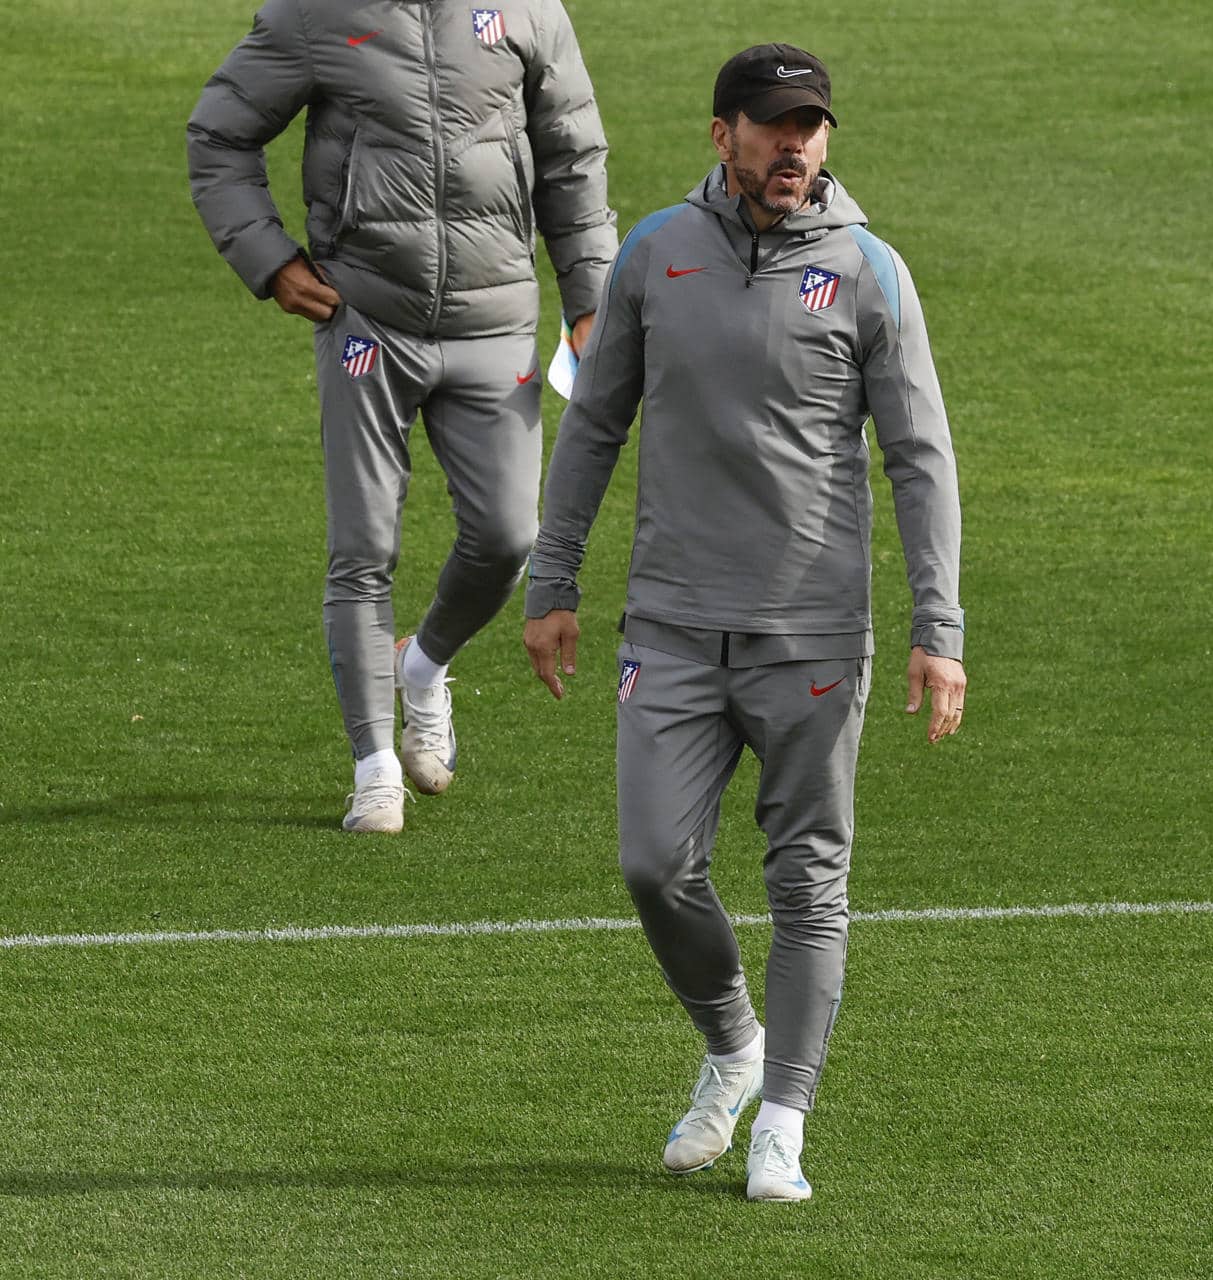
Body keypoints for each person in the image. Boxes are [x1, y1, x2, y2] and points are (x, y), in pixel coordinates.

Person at [521, 42, 966, 1202]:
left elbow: (920, 457)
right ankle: (734, 1046)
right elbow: (592, 426)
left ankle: (784, 1120)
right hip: (669, 626)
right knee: (653, 864)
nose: (795, 148)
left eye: (811, 128)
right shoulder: (655, 257)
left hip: (813, 638)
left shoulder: (870, 271)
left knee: (810, 880)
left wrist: (940, 624)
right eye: (773, 128)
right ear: (722, 136)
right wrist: (550, 581)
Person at [187, 0, 617, 833]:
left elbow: (572, 153)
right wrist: (268, 259)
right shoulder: (317, 12)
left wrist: (590, 294)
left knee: (507, 537)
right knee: (364, 548)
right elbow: (219, 134)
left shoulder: (529, 9)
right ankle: (373, 766)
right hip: (367, 319)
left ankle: (421, 669)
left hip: (496, 320)